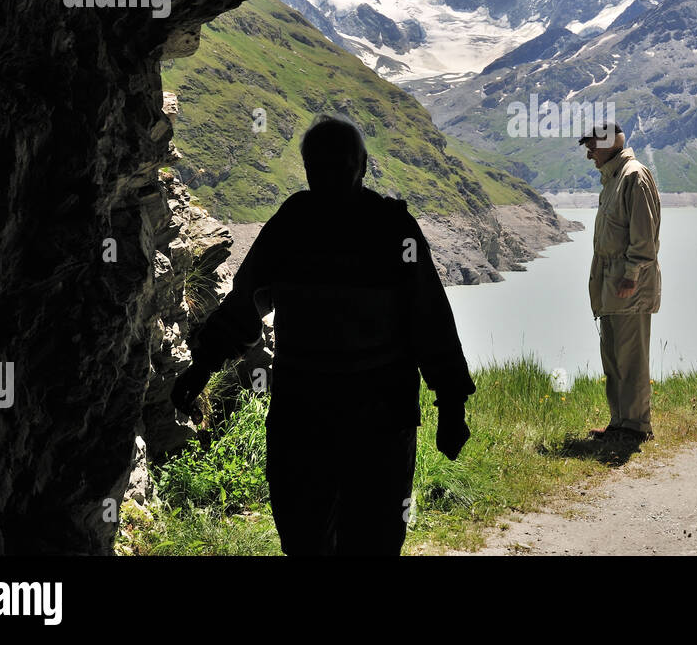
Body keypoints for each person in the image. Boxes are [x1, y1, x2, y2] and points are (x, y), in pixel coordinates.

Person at [170, 114, 475, 555]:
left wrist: (452, 403)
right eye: (322, 164)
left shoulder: (324, 224)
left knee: (346, 536)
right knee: (328, 535)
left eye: (339, 163)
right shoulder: (353, 226)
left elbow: (430, 318)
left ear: (361, 166)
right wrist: (450, 402)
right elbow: (431, 322)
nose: (330, 174)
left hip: (330, 413)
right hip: (352, 414)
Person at [579, 121, 661, 447]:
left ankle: (637, 427)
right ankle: (619, 423)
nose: (589, 155)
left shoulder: (633, 177)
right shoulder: (613, 180)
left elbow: (644, 235)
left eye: (592, 147)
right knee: (613, 357)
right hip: (611, 283)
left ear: (611, 143)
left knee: (631, 359)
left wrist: (632, 275)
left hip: (629, 285)